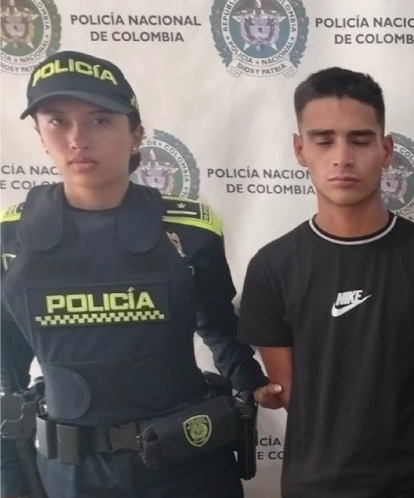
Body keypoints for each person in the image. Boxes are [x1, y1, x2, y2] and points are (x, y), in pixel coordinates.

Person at [0, 50, 277, 498]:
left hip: (188, 463)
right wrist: (10, 476)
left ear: (135, 134)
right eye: (57, 121)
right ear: (39, 133)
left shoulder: (190, 229)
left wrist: (253, 383)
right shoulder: (10, 235)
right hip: (71, 474)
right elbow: (5, 367)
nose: (78, 139)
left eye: (100, 120)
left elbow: (219, 327)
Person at [236, 67, 414, 498]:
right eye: (324, 140)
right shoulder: (272, 267)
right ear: (300, 149)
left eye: (360, 140)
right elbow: (292, 393)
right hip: (317, 488)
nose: (342, 157)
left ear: (386, 149)